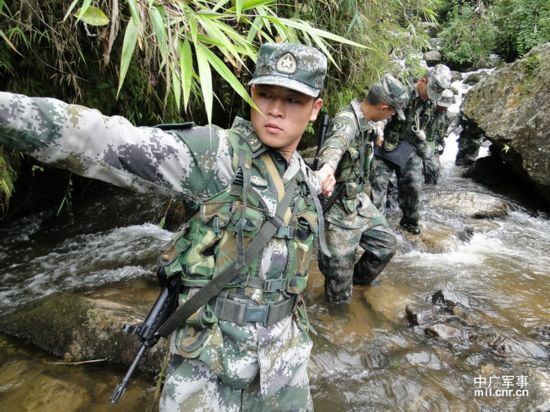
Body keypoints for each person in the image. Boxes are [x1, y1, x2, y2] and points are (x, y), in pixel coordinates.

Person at [0, 42, 329, 411]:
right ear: (250, 92)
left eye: (293, 101)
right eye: (265, 94)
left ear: (315, 109)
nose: (275, 110)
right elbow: (107, 139)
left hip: (285, 367)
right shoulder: (215, 155)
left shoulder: (303, 177)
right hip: (209, 367)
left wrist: (321, 179)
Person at [314, 74, 408, 303]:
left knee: (387, 245)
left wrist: (379, 130)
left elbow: (379, 122)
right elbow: (336, 144)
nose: (392, 116)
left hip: (357, 203)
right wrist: (327, 168)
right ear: (384, 107)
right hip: (337, 209)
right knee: (338, 296)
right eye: (392, 112)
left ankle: (357, 284)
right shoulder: (347, 122)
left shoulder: (368, 120)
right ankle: (340, 301)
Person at [370, 64, 452, 235]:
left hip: (410, 147)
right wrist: (378, 128)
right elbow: (384, 111)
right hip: (386, 145)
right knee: (378, 186)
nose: (430, 96)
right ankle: (376, 228)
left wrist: (426, 145)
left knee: (414, 185)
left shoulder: (430, 102)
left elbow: (431, 127)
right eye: (430, 90)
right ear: (423, 81)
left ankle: (409, 222)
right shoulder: (402, 92)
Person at [423, 88, 454, 185]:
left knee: (434, 170)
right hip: (421, 143)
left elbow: (443, 132)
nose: (443, 108)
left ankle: (430, 190)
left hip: (435, 146)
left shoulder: (448, 116)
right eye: (441, 106)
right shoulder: (427, 110)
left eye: (445, 107)